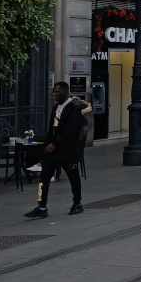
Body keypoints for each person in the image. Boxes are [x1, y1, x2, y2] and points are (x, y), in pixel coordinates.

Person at [24, 82, 86, 218]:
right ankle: (41, 205)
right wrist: (45, 149)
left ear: (64, 91)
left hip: (69, 151)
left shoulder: (75, 107)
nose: (54, 94)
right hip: (54, 151)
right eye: (53, 92)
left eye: (56, 91)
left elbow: (71, 130)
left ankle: (77, 202)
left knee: (73, 177)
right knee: (43, 178)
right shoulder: (55, 107)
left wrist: (55, 143)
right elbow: (51, 130)